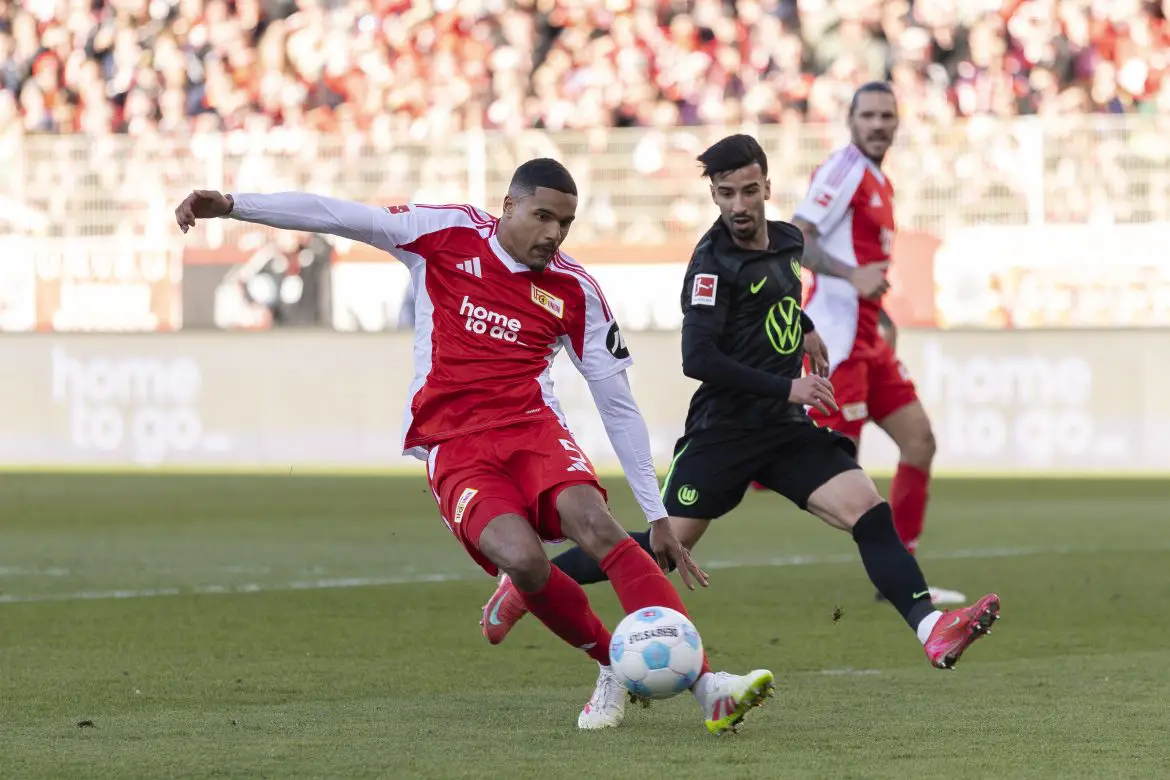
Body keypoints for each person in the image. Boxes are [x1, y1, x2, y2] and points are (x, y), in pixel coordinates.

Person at [173, 158, 774, 735]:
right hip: (453, 443)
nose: (553, 234)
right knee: (526, 561)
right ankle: (610, 667)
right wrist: (232, 205)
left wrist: (656, 513)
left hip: (531, 429)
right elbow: (336, 214)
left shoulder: (575, 289)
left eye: (565, 223)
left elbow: (615, 401)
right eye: (541, 217)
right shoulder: (443, 235)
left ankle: (708, 687)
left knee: (600, 527)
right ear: (508, 205)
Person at [480, 138, 1000, 672]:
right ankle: (526, 586)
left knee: (867, 508)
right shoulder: (710, 264)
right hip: (722, 434)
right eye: (725, 194)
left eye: (749, 191)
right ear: (713, 194)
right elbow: (698, 357)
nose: (739, 205)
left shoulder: (789, 241)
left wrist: (806, 327)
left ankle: (932, 629)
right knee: (663, 547)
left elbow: (776, 298)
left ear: (767, 188)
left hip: (783, 429)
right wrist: (787, 387)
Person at [790, 81, 964, 605]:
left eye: (887, 115)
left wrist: (878, 307)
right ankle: (725, 471)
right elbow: (797, 236)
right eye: (868, 115)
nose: (878, 124)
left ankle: (902, 573)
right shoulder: (843, 169)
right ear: (851, 120)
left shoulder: (878, 179)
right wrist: (852, 277)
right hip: (838, 345)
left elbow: (862, 265)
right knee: (823, 469)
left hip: (870, 338)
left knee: (920, 442)